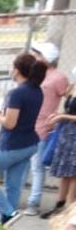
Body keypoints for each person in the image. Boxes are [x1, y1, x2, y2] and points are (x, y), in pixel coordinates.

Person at [0, 53, 47, 229]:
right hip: (29, 143)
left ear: (16, 70)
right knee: (13, 185)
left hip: (11, 145)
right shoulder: (37, 90)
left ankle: (9, 213)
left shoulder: (17, 93)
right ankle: (5, 222)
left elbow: (10, 123)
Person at [26, 41, 71, 216]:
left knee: (37, 166)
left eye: (38, 54)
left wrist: (56, 117)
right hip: (28, 124)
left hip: (43, 126)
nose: (35, 57)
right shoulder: (35, 75)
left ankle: (34, 201)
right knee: (23, 164)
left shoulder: (58, 78)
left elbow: (68, 98)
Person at [44, 72, 76, 221]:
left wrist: (63, 117)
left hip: (73, 133)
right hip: (67, 132)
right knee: (65, 172)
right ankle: (60, 205)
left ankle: (70, 209)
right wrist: (58, 115)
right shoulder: (72, 87)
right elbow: (69, 110)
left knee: (73, 173)